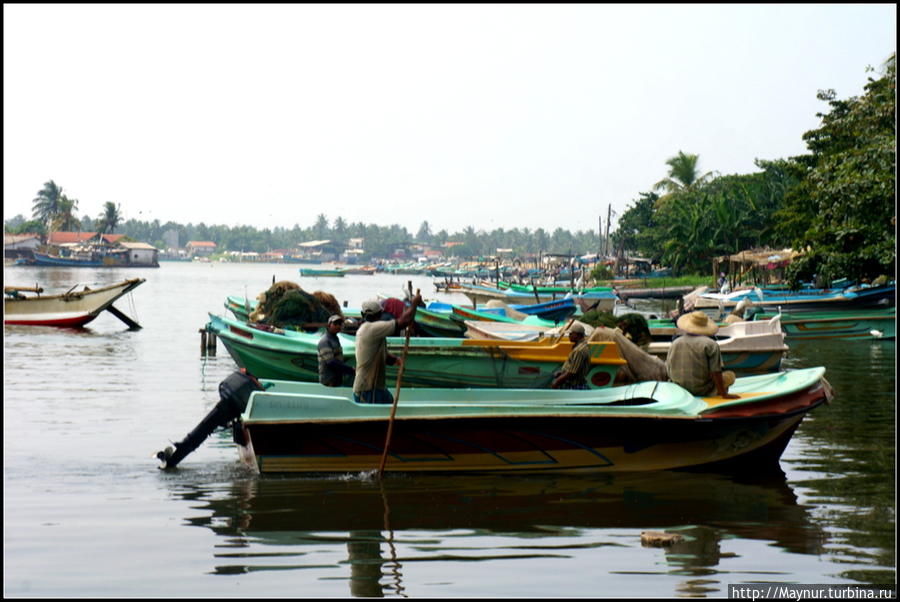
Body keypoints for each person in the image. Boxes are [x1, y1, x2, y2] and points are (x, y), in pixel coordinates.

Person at [353, 292, 422, 404]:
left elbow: (382, 356)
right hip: (368, 389)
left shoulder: (368, 331)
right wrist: (414, 304)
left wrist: (395, 360)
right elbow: (403, 322)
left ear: (362, 314)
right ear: (380, 314)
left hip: (376, 387)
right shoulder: (371, 329)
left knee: (390, 402)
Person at [666, 311, 739, 398]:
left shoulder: (675, 343)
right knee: (730, 376)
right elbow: (716, 372)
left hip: (680, 390)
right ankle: (719, 392)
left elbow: (668, 368)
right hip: (702, 390)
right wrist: (724, 394)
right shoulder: (710, 344)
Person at [551, 323, 592, 389]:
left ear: (578, 335)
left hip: (574, 385)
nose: (569, 336)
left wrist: (556, 382)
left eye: (571, 334)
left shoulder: (579, 350)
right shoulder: (583, 346)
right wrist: (562, 372)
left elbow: (572, 373)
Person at [318, 315, 355, 386]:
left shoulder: (335, 338)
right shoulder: (325, 341)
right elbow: (331, 362)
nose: (338, 326)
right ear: (329, 325)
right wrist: (350, 370)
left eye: (340, 324)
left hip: (336, 378)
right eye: (335, 324)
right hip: (329, 380)